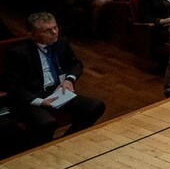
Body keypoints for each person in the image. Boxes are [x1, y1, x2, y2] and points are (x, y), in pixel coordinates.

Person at [1, 12, 106, 148]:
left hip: (57, 91)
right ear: (32, 35)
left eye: (55, 27)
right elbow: (13, 87)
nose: (54, 32)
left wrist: (69, 79)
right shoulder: (19, 54)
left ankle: (65, 141)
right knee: (46, 122)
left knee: (95, 106)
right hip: (33, 98)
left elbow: (75, 64)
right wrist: (40, 102)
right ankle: (38, 149)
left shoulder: (61, 44)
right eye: (47, 30)